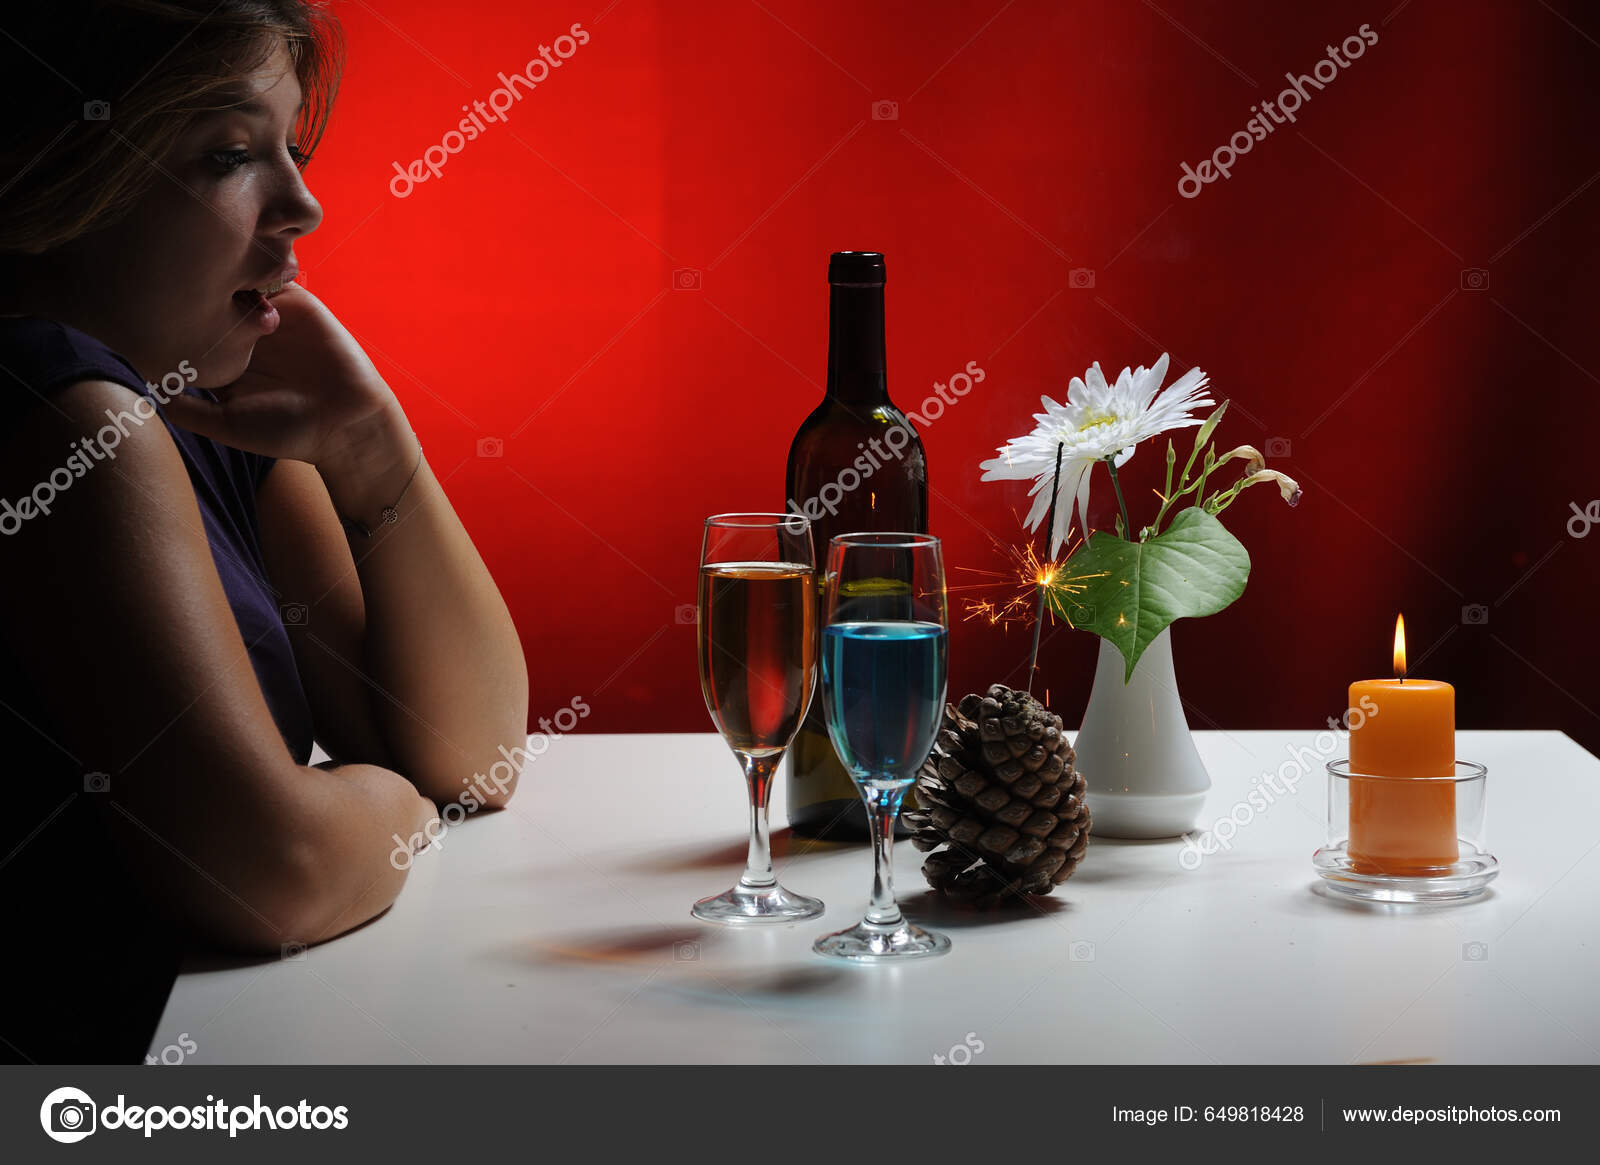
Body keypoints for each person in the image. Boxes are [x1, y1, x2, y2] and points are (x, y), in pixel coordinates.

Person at [0, 1, 529, 1063]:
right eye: (230, 154)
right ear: (52, 171)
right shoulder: (67, 412)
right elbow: (274, 871)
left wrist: (376, 449)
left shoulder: (196, 408)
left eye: (294, 146)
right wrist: (376, 799)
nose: (303, 205)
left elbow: (473, 756)